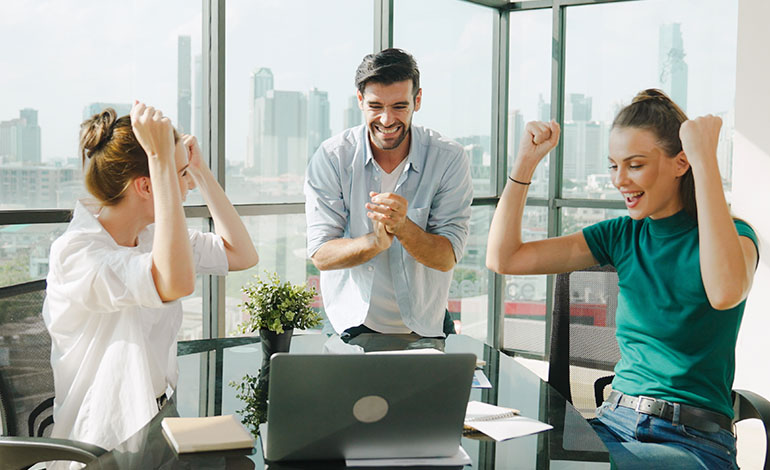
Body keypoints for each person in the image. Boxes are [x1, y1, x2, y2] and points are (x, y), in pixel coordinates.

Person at [486, 89, 758, 469]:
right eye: (614, 165)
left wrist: (705, 160)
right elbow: (505, 257)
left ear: (681, 163)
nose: (619, 180)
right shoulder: (622, 235)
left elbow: (726, 292)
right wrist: (525, 163)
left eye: (635, 164)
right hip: (612, 423)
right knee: (515, 458)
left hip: (692, 443)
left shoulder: (736, 237)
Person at [43, 102, 258, 456]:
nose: (186, 187)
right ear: (146, 185)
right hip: (103, 447)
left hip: (157, 426)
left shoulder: (150, 237)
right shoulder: (77, 254)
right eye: (181, 175)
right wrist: (160, 162)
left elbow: (241, 254)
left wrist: (200, 171)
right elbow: (174, 282)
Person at [304, 48, 473, 339]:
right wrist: (375, 242)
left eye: (399, 106)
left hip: (426, 324)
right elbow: (321, 254)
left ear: (417, 101)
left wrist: (403, 228)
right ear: (360, 101)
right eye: (375, 106)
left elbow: (447, 257)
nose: (386, 119)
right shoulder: (333, 157)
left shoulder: (448, 158)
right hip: (349, 323)